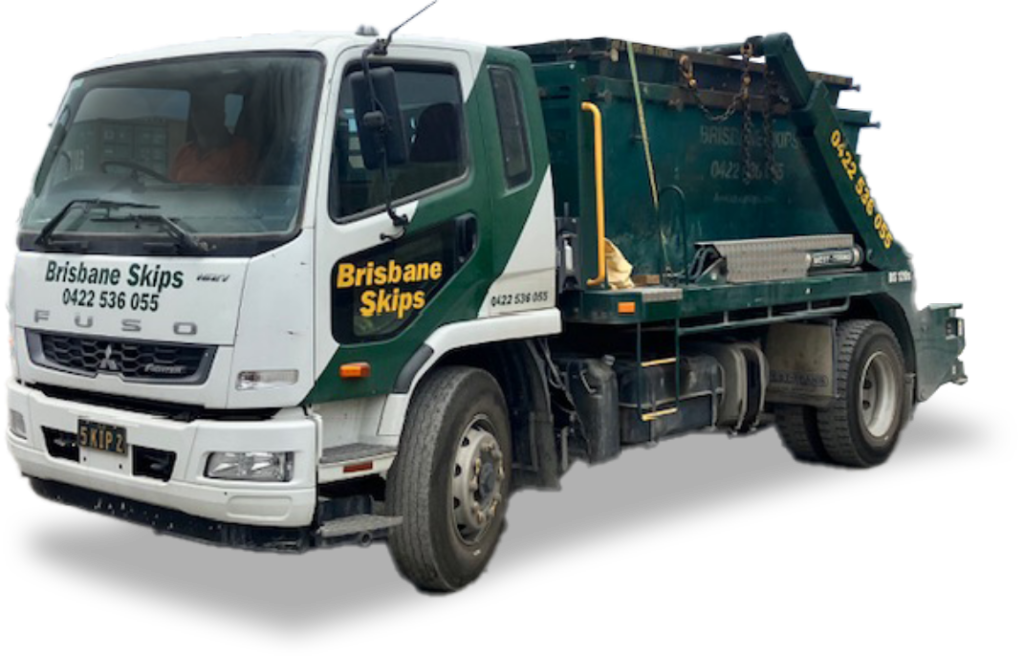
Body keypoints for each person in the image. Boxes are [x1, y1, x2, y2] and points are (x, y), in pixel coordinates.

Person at [171, 90, 256, 185]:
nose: (200, 117)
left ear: (222, 115)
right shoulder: (184, 151)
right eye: (196, 111)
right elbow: (169, 188)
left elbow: (244, 193)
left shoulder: (240, 151)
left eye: (207, 111)